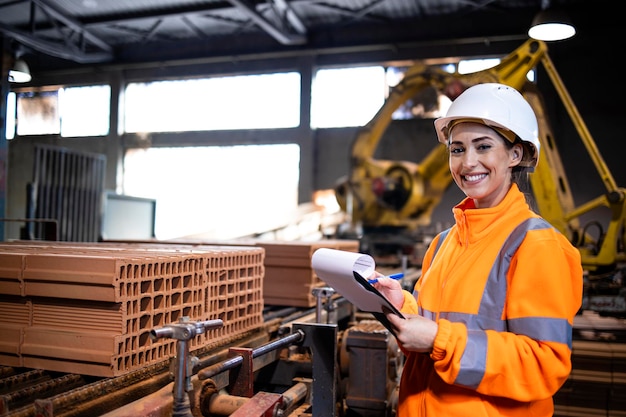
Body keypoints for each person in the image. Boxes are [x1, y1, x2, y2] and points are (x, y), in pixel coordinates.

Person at [372, 83, 583, 417]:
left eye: (483, 147)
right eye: (457, 150)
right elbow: (433, 330)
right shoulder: (444, 243)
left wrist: (439, 340)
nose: (468, 162)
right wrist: (400, 304)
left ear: (515, 155)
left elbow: (544, 364)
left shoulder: (538, 245)